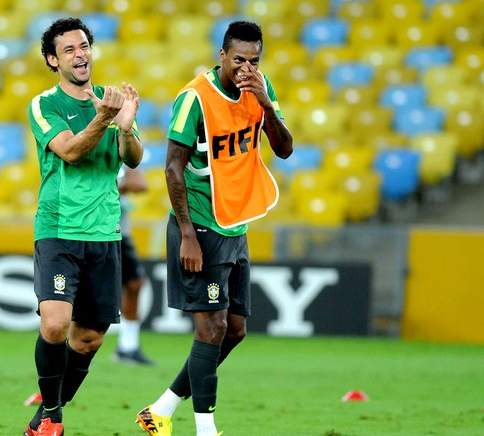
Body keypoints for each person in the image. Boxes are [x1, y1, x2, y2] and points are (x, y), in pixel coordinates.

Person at [135, 21, 292, 436]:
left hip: (235, 223)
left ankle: (159, 409)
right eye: (238, 59)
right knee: (211, 327)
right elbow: (171, 167)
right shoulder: (194, 99)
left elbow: (285, 148)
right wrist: (186, 233)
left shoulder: (260, 88)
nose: (245, 67)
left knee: (235, 330)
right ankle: (206, 429)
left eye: (254, 61)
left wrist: (267, 104)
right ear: (222, 55)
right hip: (201, 225)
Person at [25, 17, 143, 436]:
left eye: (84, 46)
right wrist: (104, 118)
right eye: (70, 50)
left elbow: (132, 159)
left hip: (105, 233)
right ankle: (53, 416)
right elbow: (71, 153)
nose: (81, 55)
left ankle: (44, 417)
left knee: (89, 339)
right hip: (59, 229)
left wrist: (125, 128)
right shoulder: (46, 105)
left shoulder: (110, 100)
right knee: (55, 324)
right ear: (52, 60)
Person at [112, 166, 155, 365]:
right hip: (93, 229)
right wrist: (123, 185)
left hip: (121, 231)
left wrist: (109, 186)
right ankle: (73, 344)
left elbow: (140, 184)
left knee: (135, 284)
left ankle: (127, 346)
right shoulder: (83, 143)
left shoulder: (124, 144)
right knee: (86, 288)